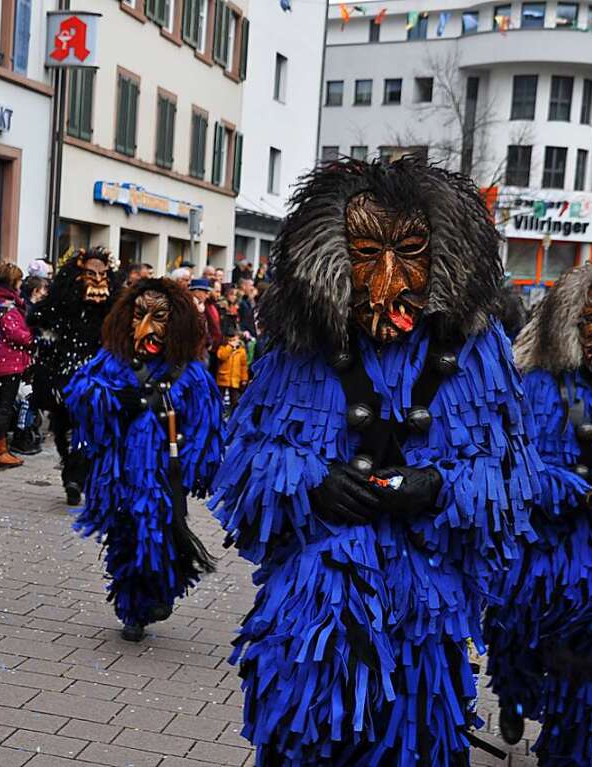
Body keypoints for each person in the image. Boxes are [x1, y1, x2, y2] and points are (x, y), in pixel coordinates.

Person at [210, 158, 538, 767]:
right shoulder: (302, 343)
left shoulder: (478, 348)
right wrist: (310, 483)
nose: (387, 284)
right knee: (305, 735)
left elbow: (512, 478)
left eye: (411, 251)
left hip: (425, 606)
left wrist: (438, 486)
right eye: (365, 254)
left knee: (416, 742)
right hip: (315, 601)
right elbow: (248, 461)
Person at [484, 263, 592, 765]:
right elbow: (515, 463)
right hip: (539, 545)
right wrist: (575, 489)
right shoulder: (537, 384)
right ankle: (512, 699)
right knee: (512, 638)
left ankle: (567, 746)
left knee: (584, 658)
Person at [66, 278, 223, 642]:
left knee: (163, 531)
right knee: (126, 535)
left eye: (159, 317)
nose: (146, 327)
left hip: (163, 472)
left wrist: (195, 463)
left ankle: (161, 591)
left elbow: (206, 422)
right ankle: (132, 607)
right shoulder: (113, 361)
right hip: (121, 470)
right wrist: (112, 399)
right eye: (139, 315)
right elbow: (80, 394)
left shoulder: (190, 372)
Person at [28, 247, 116, 505]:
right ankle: (71, 470)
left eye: (103, 274)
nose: (98, 279)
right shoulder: (63, 301)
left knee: (87, 424)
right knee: (62, 424)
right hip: (63, 374)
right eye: (91, 273)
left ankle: (75, 476)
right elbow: (37, 318)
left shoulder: (112, 307)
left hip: (96, 377)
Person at [0, 261, 33, 468]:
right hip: (8, 363)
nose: (21, 284)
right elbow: (17, 334)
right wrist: (35, 336)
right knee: (3, 407)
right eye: (19, 280)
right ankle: (0, 450)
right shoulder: (6, 303)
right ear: (12, 281)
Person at [215, 318, 248, 415]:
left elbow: (243, 366)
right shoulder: (223, 348)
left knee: (234, 400)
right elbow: (222, 356)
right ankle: (220, 413)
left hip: (235, 380)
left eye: (234, 339)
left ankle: (233, 415)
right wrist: (230, 347)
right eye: (230, 340)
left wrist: (244, 378)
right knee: (221, 398)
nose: (232, 341)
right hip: (223, 379)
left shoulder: (241, 351)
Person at [189, 278, 222, 356]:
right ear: (196, 291)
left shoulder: (202, 306)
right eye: (205, 292)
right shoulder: (190, 307)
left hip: (203, 348)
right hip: (194, 349)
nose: (207, 296)